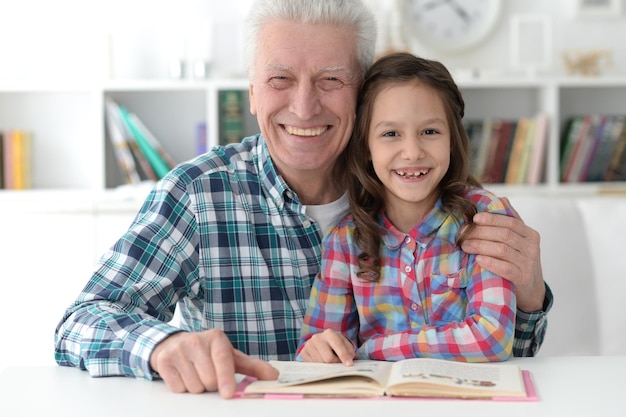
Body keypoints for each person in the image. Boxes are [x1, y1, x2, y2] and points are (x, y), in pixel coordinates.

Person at [54, 0, 552, 399]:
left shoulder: (423, 193)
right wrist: (164, 345)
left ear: (363, 95)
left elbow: (510, 352)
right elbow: (81, 322)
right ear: (251, 91)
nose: (304, 105)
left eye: (331, 79)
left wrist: (529, 298)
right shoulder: (198, 195)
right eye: (279, 79)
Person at [297, 52, 517, 364]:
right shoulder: (345, 241)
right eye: (390, 134)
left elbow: (491, 340)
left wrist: (371, 349)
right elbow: (317, 350)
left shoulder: (483, 216)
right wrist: (319, 350)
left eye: (430, 131)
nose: (412, 152)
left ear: (452, 140)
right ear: (366, 148)